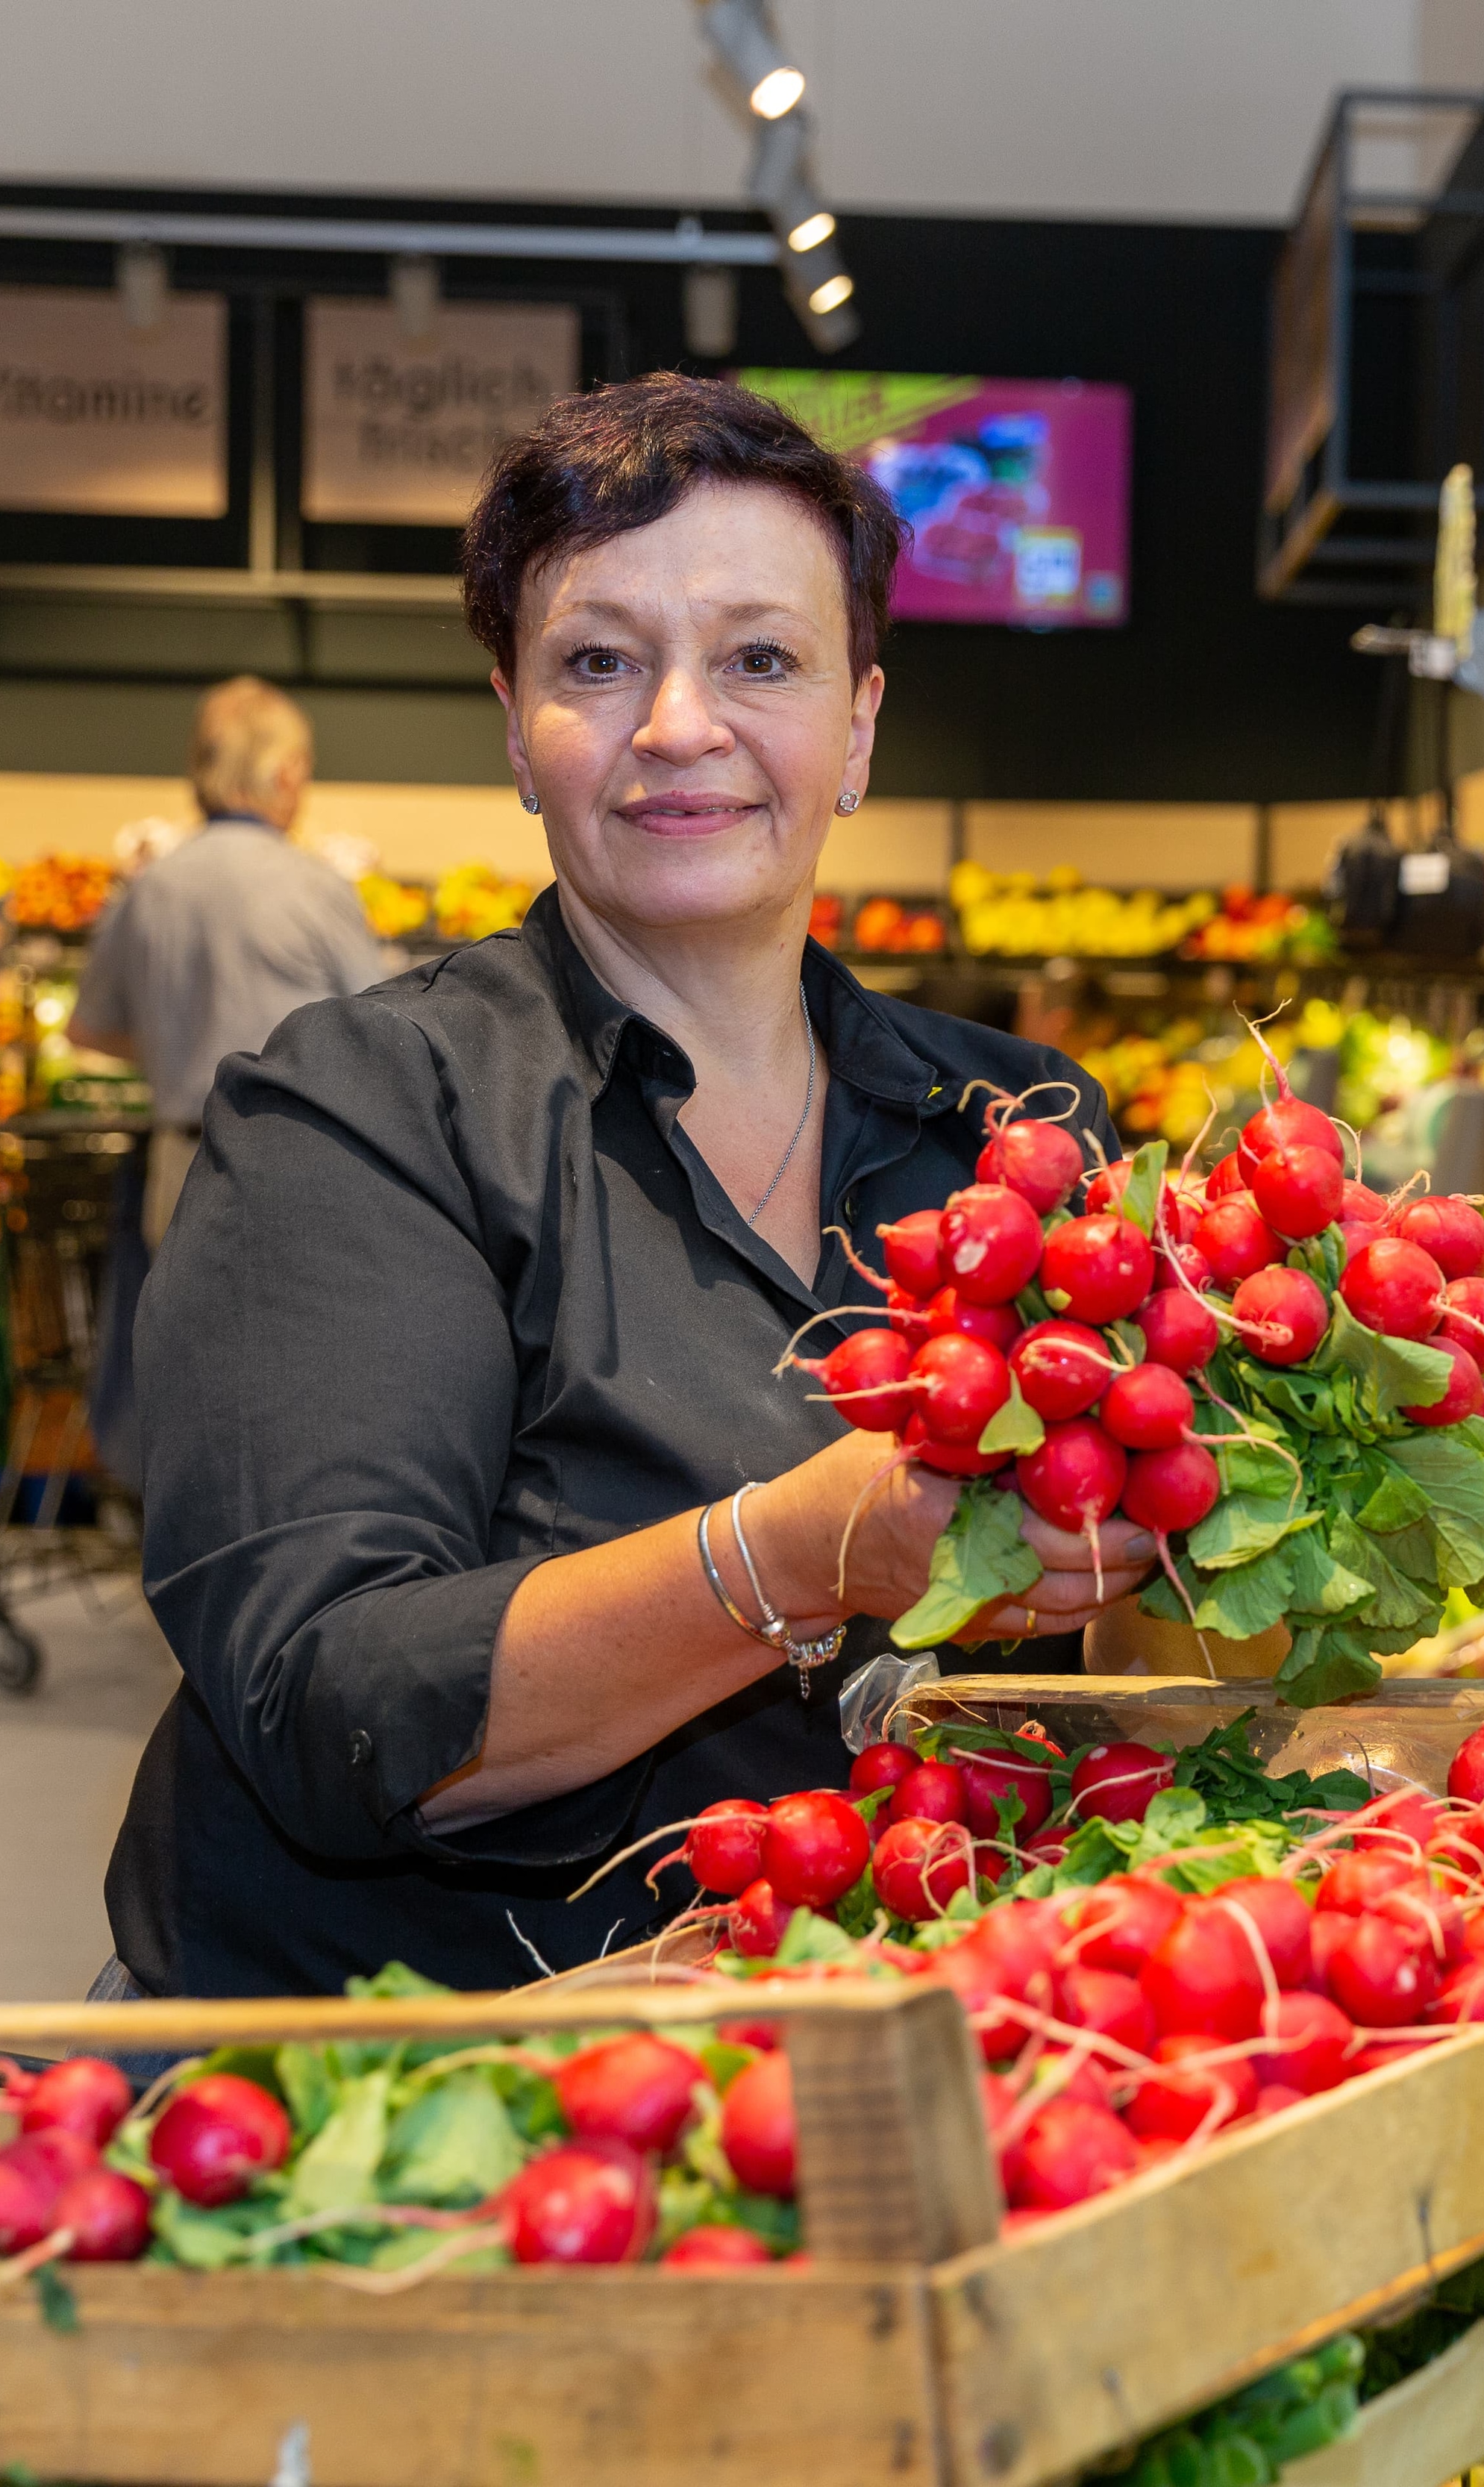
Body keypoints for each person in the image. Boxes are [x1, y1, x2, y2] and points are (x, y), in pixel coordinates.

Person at [99, 376, 1156, 1999]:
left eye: (760, 657)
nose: (679, 723)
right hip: (412, 2092)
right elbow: (336, 1702)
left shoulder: (1016, 1131)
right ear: (518, 730)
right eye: (600, 660)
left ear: (856, 726)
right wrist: (792, 1556)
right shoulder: (355, 1119)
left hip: (892, 2048)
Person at [69, 675, 389, 1251]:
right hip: (296, 1171)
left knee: (182, 1340)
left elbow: (88, 1028)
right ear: (287, 771)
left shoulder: (147, 887)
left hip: (177, 1174)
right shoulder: (315, 887)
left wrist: (182, 1045)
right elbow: (379, 1033)